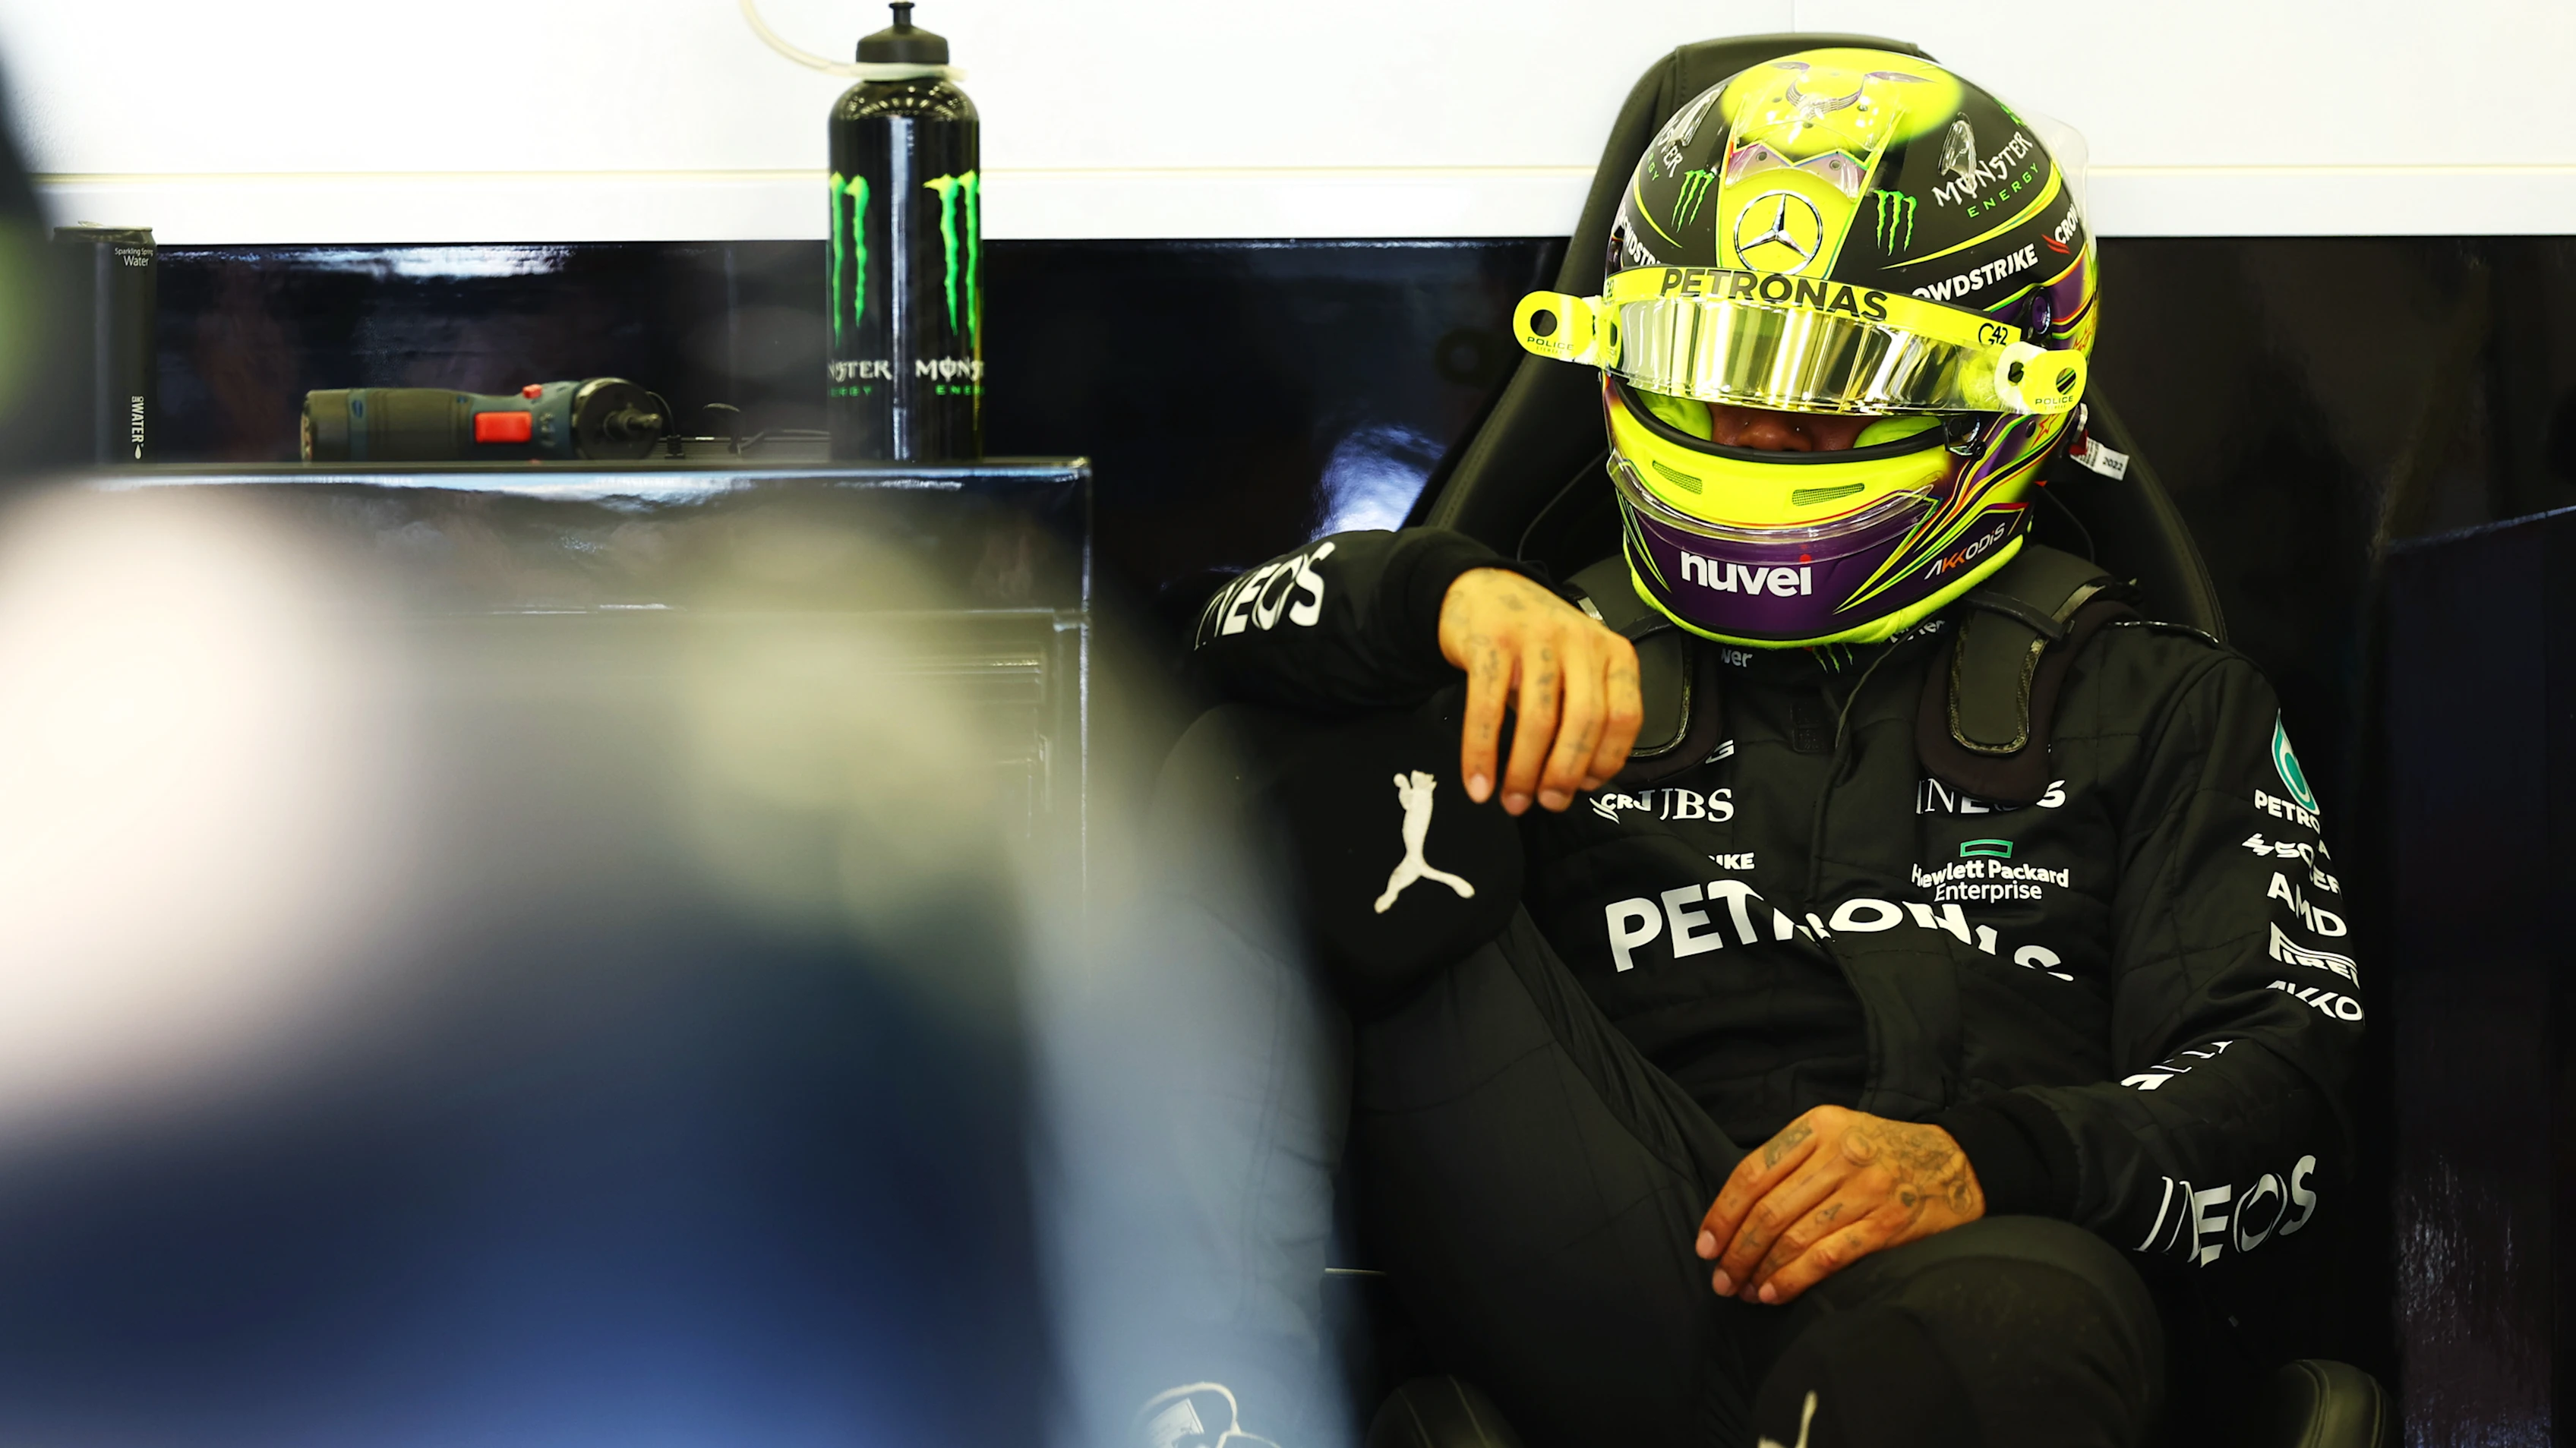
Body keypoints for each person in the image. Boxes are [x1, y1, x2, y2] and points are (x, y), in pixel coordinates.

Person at [1173, 48, 2360, 1448]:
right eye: (1710, 363)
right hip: (1620, 1256)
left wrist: (1986, 1159)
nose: (1747, 427)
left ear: (1999, 399)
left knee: (1988, 1342)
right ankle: (1210, 1413)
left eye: (1817, 382)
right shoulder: (1543, 652)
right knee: (1254, 772)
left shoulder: (2167, 699)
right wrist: (1441, 591)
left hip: (1984, 1282)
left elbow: (2285, 1085)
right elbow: (1212, 651)